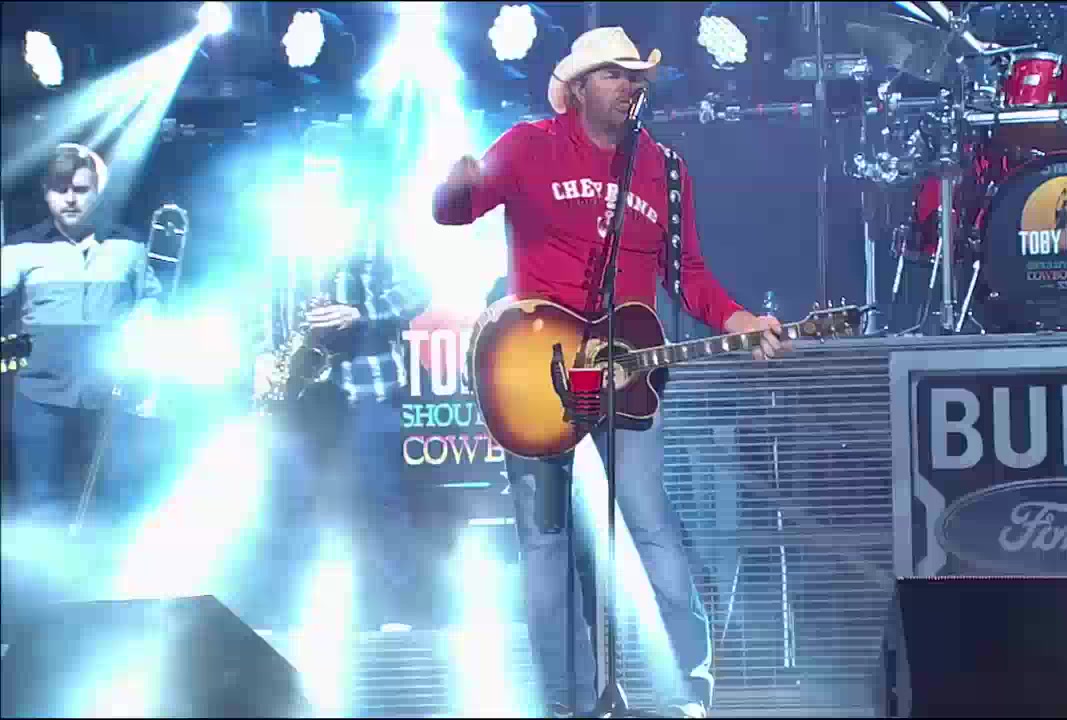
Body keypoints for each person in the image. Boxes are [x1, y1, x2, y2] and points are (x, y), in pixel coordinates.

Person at [432, 26, 787, 719]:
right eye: (615, 75)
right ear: (578, 88)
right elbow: (456, 211)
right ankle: (569, 703)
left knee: (651, 526)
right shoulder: (529, 146)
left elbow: (687, 272)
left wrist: (736, 317)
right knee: (546, 542)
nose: (631, 86)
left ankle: (687, 694)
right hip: (538, 372)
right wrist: (455, 185)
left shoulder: (665, 168)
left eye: (637, 76)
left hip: (627, 374)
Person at [249, 214, 429, 632]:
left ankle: (394, 611)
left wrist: (360, 312)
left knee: (379, 499)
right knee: (289, 502)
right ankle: (285, 613)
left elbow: (417, 289)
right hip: (299, 391)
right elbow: (263, 297)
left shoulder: (375, 226)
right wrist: (263, 354)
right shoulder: (283, 222)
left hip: (367, 382)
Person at [0, 144, 162, 529]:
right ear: (46, 193)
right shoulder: (20, 248)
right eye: (61, 189)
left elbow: (151, 297)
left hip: (114, 397)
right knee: (41, 508)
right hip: (40, 396)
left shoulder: (129, 245)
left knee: (118, 506)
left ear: (97, 192)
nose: (70, 198)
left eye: (81, 189)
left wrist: (143, 320)